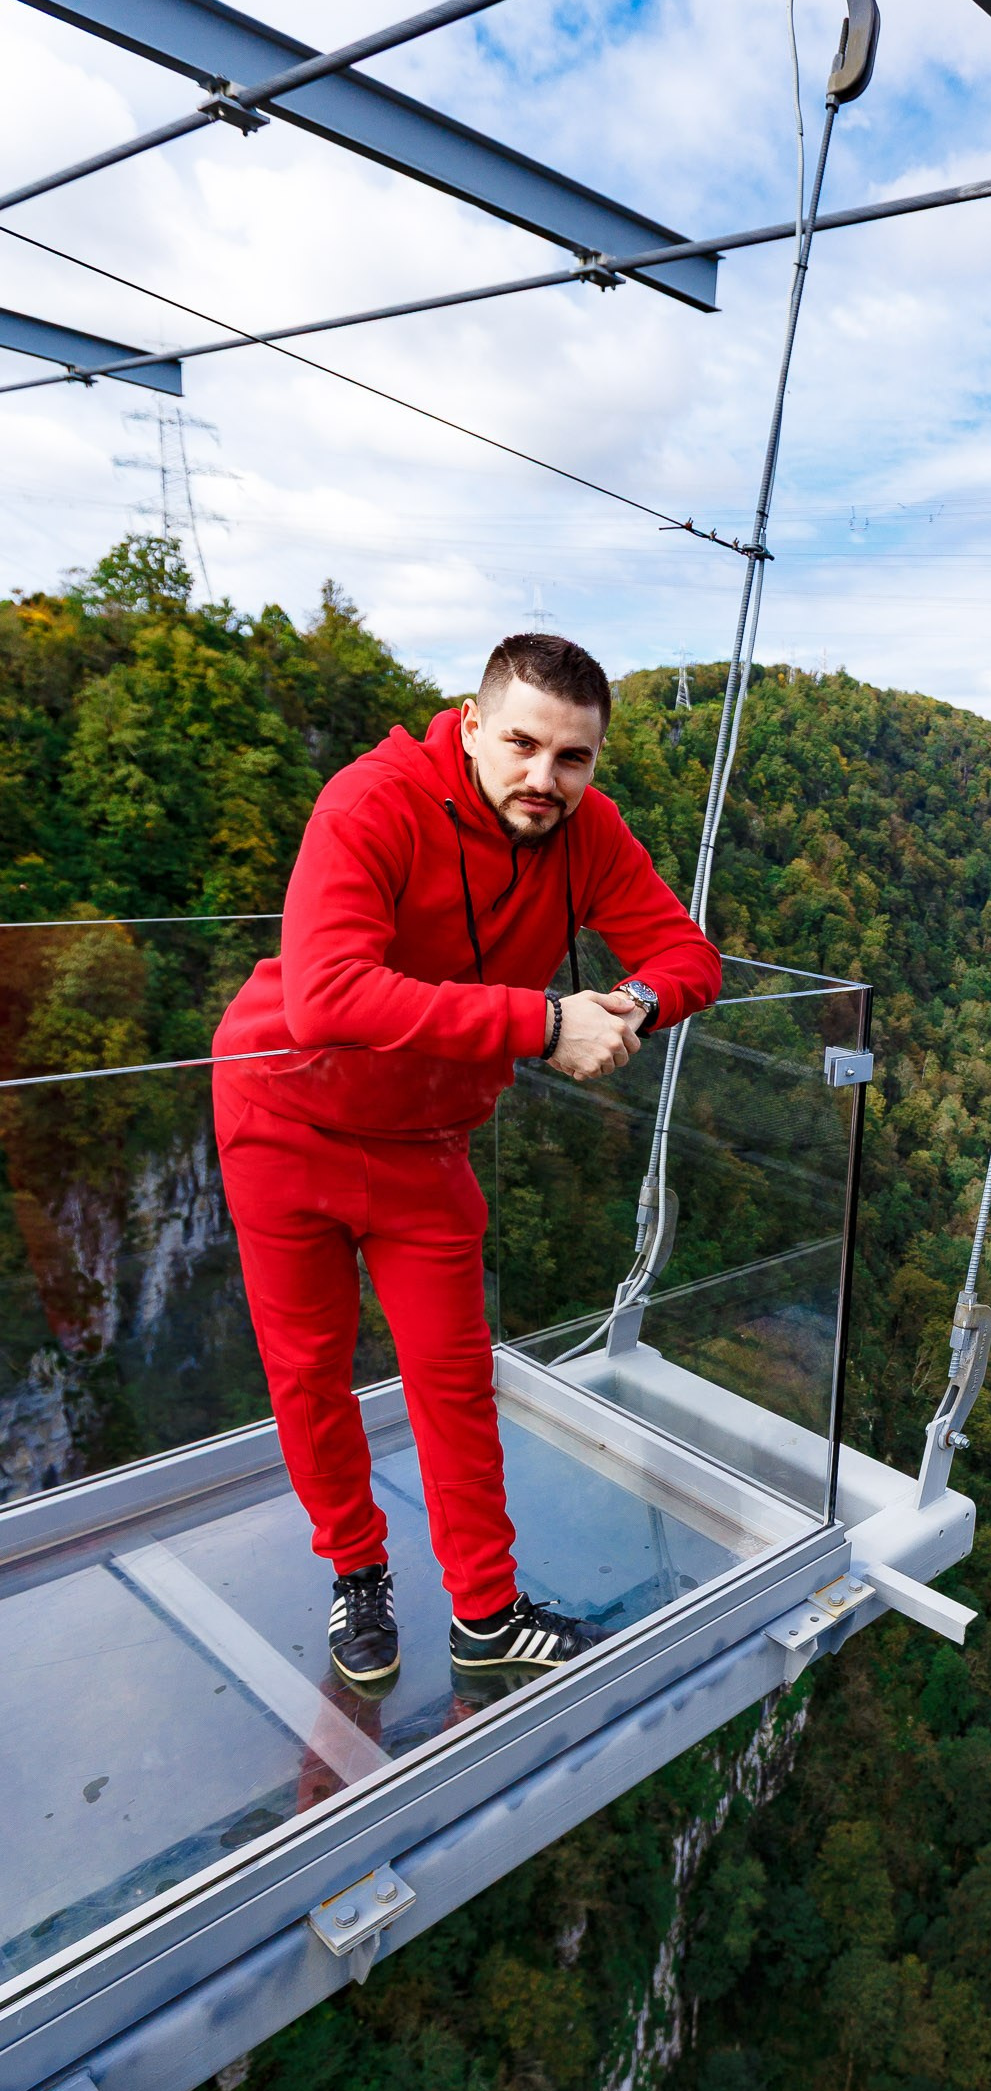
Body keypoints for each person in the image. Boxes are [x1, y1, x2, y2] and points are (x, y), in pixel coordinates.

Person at [213, 632, 720, 1689]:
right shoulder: (374, 802)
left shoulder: (584, 828)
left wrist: (628, 1004)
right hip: (284, 1115)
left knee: (453, 1374)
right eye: (523, 744)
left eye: (573, 757)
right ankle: (357, 1570)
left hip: (426, 1134)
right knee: (309, 1368)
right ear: (473, 724)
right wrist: (545, 1023)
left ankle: (485, 1613)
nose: (545, 777)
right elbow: (326, 995)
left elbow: (687, 955)